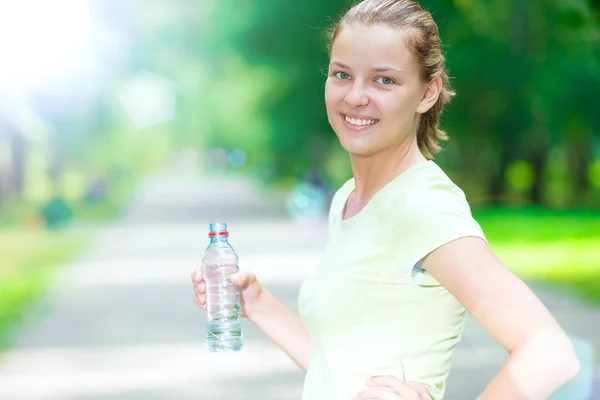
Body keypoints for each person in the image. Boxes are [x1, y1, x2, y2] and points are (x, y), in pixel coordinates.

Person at [192, 0, 581, 398]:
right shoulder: (349, 200)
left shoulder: (425, 206)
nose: (356, 96)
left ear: (427, 93)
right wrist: (257, 304)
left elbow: (549, 353)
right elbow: (339, 369)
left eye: (384, 81)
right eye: (342, 74)